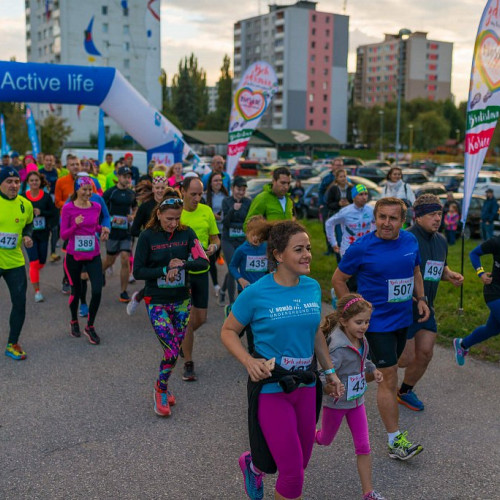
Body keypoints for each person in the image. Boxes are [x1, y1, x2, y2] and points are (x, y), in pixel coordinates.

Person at [221, 220, 344, 500]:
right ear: (278, 255)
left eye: (308, 248)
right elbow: (228, 331)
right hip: (272, 386)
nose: (307, 255)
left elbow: (315, 333)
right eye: (299, 249)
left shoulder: (312, 287)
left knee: (301, 462)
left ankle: (253, 465)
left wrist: (331, 373)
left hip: (306, 386)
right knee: (292, 473)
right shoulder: (255, 292)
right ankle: (258, 465)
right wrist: (249, 361)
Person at [331, 197, 429, 460]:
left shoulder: (410, 241)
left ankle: (343, 379)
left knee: (399, 362)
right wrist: (351, 314)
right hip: (376, 324)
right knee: (389, 376)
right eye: (382, 217)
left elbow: (416, 271)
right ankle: (395, 441)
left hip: (402, 320)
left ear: (403, 221)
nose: (386, 223)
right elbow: (338, 279)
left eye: (393, 218)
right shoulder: (362, 247)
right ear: (374, 218)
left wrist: (421, 299)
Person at [133, 190, 209, 416]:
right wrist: (165, 269)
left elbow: (203, 261)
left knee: (175, 350)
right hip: (157, 301)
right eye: (169, 219)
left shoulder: (186, 233)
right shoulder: (147, 236)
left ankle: (163, 387)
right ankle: (160, 390)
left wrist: (182, 264)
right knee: (171, 350)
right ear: (158, 214)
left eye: (177, 218)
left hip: (182, 301)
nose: (173, 223)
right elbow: (138, 271)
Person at [397, 195, 463, 412]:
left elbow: (439, 268)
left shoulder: (441, 240)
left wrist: (450, 275)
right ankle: (358, 369)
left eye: (439, 214)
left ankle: (404, 391)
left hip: (427, 308)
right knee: (404, 359)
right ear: (418, 216)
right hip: (404, 308)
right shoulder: (405, 239)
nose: (437, 219)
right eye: (432, 214)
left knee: (425, 353)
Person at [316, 294, 385, 500]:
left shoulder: (361, 338)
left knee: (363, 446)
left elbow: (364, 360)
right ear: (344, 321)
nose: (364, 326)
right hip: (337, 404)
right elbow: (322, 374)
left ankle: (368, 493)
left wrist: (374, 370)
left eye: (367, 322)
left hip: (357, 402)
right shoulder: (337, 348)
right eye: (359, 322)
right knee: (325, 439)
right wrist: (329, 388)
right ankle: (306, 433)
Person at [180, 176, 220, 381]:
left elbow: (215, 238)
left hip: (202, 271)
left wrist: (214, 247)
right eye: (193, 194)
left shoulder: (206, 211)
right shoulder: (177, 213)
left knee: (201, 318)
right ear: (183, 192)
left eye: (200, 194)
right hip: (183, 273)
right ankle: (188, 362)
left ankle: (181, 340)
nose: (197, 198)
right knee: (187, 320)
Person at [60, 176, 108, 344]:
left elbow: (93, 226)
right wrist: (75, 224)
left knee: (97, 291)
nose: (88, 193)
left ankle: (90, 326)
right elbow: (63, 235)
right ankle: (74, 320)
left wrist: (103, 230)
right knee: (76, 291)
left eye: (90, 189)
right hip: (74, 256)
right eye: (84, 189)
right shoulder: (68, 208)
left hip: (93, 255)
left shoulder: (96, 206)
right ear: (77, 190)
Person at [0, 167, 34, 360]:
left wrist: (27, 236)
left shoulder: (25, 204)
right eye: (9, 181)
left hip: (14, 261)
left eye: (16, 182)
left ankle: (12, 343)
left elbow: (29, 223)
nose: (14, 185)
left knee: (20, 303)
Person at [454, 233, 500, 365]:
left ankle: (462, 344)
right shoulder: (496, 242)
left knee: (492, 329)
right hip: (494, 292)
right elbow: (474, 253)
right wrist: (481, 273)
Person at [127, 175, 168, 315]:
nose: (160, 190)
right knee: (154, 280)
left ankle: (159, 305)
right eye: (157, 188)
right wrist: (149, 237)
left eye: (163, 188)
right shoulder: (145, 207)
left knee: (165, 278)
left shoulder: (170, 205)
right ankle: (139, 298)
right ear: (153, 189)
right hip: (150, 249)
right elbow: (134, 230)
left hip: (168, 247)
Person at [228, 215, 269, 353]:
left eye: (260, 235)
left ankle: (254, 349)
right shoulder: (241, 250)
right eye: (253, 235)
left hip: (261, 290)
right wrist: (240, 278)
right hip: (245, 289)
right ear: (247, 233)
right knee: (248, 320)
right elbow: (232, 266)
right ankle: (239, 332)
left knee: (257, 319)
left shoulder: (266, 248)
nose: (256, 239)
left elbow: (270, 265)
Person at [102, 166, 138, 303]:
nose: (127, 179)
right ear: (118, 177)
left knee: (125, 257)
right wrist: (108, 220)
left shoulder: (131, 193)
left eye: (129, 177)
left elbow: (135, 207)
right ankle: (100, 271)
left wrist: (133, 216)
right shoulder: (110, 192)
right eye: (124, 176)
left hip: (126, 232)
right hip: (112, 232)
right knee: (110, 260)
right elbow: (101, 208)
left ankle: (123, 291)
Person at [24, 171, 57, 302]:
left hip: (43, 234)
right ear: (28, 182)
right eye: (31, 180)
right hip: (29, 235)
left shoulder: (46, 197)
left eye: (36, 180)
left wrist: (41, 212)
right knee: (34, 262)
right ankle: (37, 292)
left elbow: (53, 213)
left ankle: (33, 273)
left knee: (41, 262)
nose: (34, 182)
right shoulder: (22, 197)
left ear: (40, 182)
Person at [218, 176, 251, 306]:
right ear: (232, 188)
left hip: (242, 240)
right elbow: (225, 223)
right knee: (233, 266)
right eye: (238, 189)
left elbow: (248, 222)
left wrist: (238, 225)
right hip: (228, 240)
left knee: (237, 269)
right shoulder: (226, 201)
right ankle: (232, 303)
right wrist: (233, 210)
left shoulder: (248, 202)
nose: (241, 192)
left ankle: (222, 290)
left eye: (243, 190)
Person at [325, 184, 373, 259]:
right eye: (361, 194)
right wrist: (333, 243)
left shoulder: (371, 210)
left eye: (366, 194)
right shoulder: (346, 211)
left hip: (366, 249)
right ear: (354, 197)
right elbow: (329, 223)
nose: (364, 197)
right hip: (348, 249)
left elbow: (377, 224)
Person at [205, 171, 229, 297]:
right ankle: (216, 285)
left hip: (223, 231)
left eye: (220, 180)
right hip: (211, 233)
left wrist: (222, 217)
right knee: (211, 260)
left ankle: (223, 286)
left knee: (224, 259)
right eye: (215, 180)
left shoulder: (226, 196)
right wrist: (212, 215)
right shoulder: (205, 196)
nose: (218, 182)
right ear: (210, 183)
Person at [318, 157, 344, 255]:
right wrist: (321, 204)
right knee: (327, 228)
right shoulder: (327, 178)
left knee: (340, 230)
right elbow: (321, 191)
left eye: (340, 165)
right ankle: (330, 250)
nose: (339, 167)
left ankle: (340, 248)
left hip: (340, 208)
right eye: (337, 165)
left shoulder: (346, 178)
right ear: (332, 166)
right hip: (327, 207)